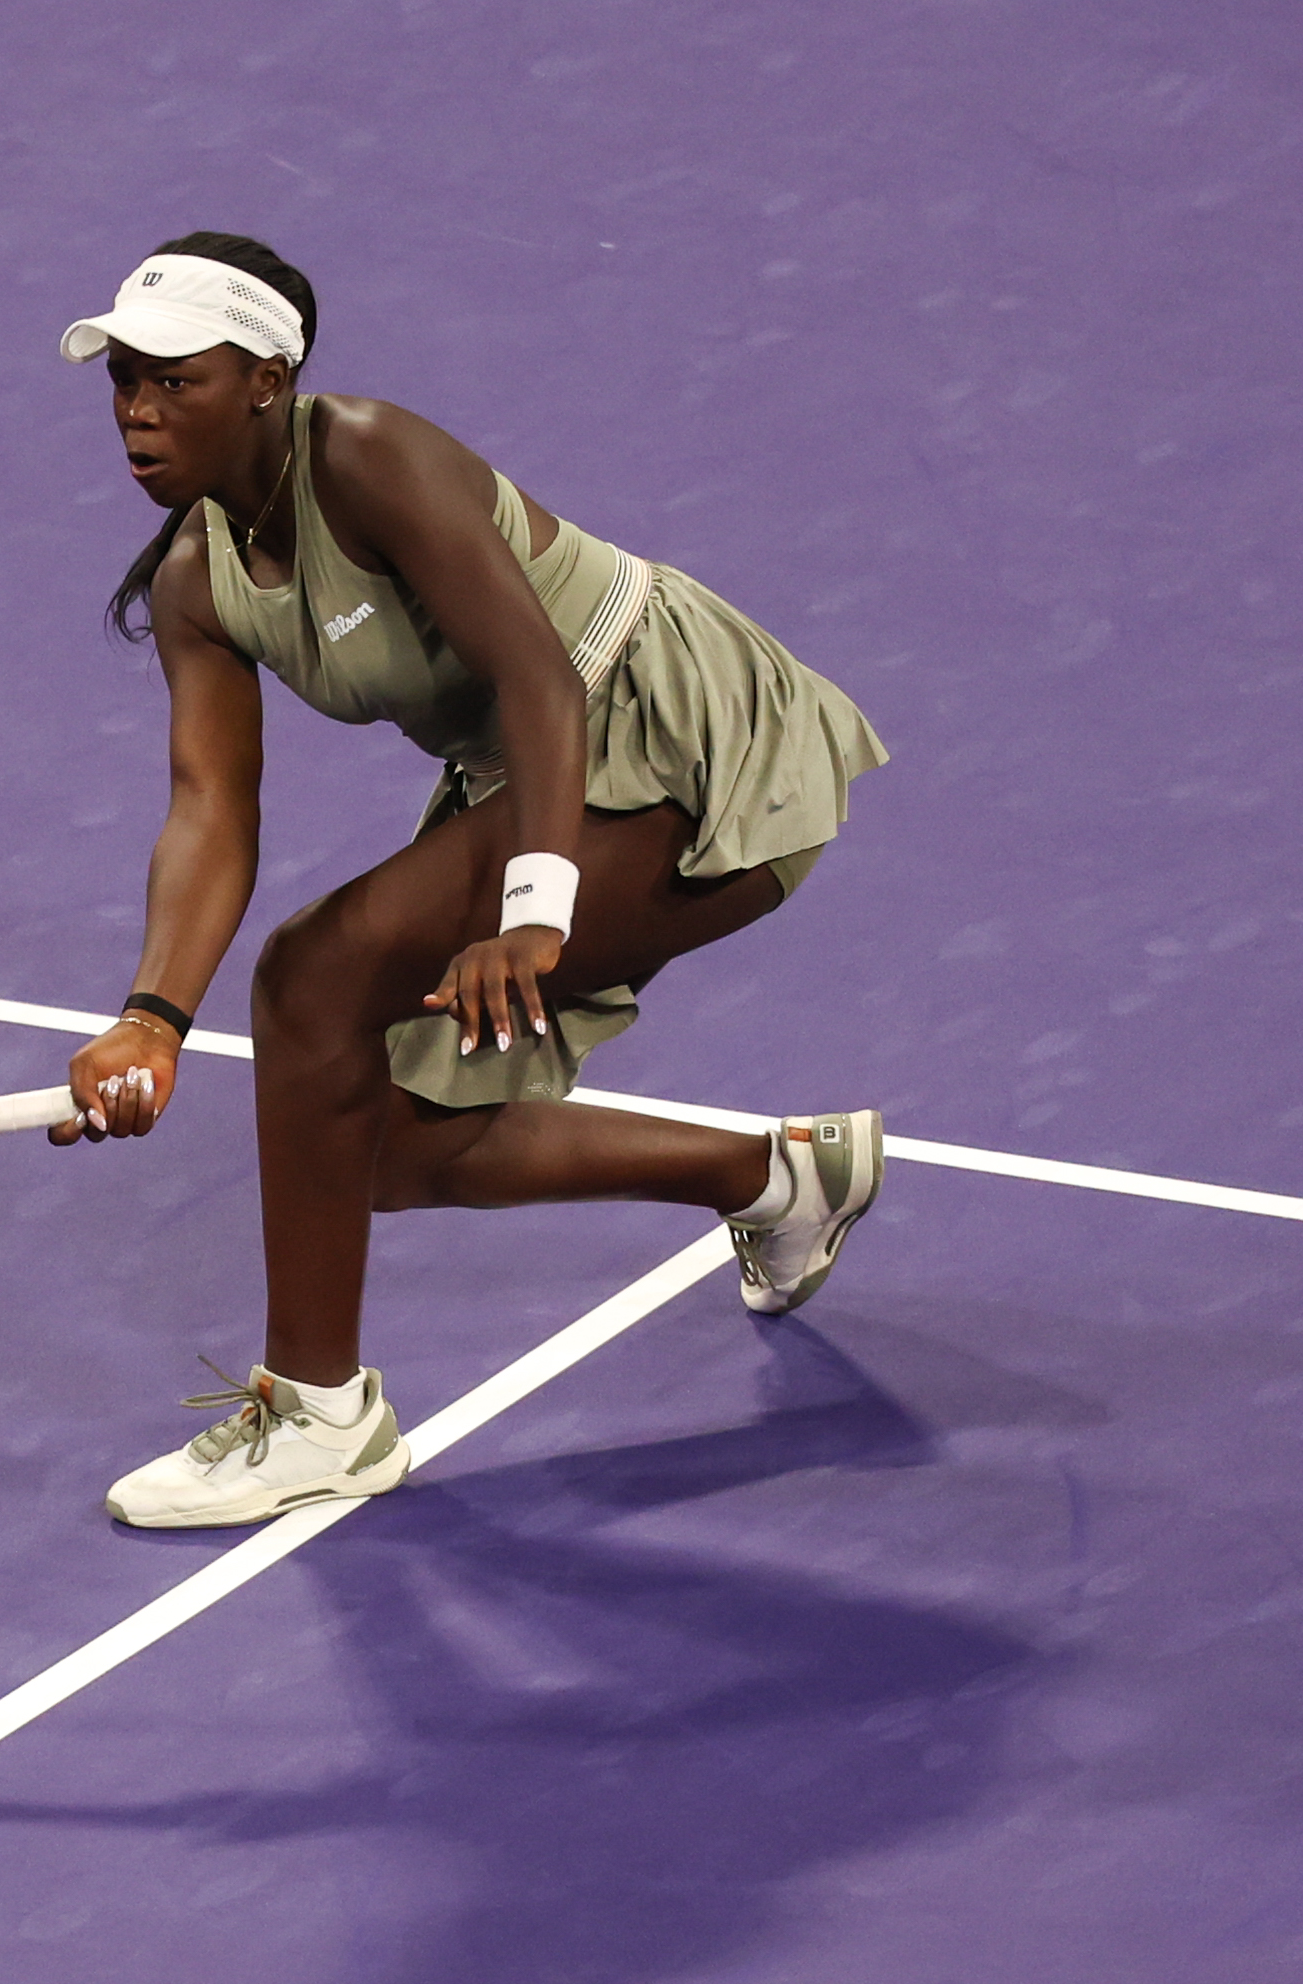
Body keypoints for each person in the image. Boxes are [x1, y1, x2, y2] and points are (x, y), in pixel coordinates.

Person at [52, 233, 891, 1530]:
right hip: (535, 783)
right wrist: (151, 1017)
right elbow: (210, 806)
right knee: (387, 1144)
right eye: (124, 379)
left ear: (269, 381)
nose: (137, 411)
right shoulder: (193, 584)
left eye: (175, 379)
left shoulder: (368, 455)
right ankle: (778, 1178)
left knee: (312, 979)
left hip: (679, 731)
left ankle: (319, 1418)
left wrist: (532, 909)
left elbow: (538, 673)